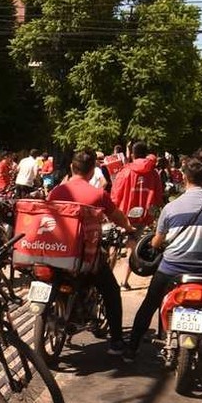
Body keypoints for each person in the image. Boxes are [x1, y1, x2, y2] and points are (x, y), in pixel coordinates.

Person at [124, 151, 202, 360]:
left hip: (172, 267)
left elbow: (157, 241)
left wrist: (156, 243)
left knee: (149, 304)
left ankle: (131, 348)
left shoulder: (170, 208)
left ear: (183, 176)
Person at [48, 150, 129, 356]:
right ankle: (117, 342)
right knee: (111, 291)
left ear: (71, 168)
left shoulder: (56, 191)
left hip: (55, 254)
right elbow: (118, 217)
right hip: (85, 258)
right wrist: (129, 228)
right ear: (93, 170)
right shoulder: (98, 194)